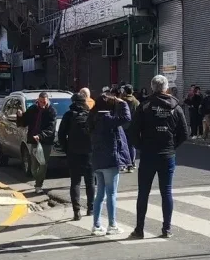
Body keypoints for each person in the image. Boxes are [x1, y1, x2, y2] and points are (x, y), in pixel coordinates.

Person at [130, 75, 188, 239]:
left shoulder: (145, 105)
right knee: (166, 192)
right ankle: (166, 229)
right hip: (167, 155)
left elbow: (133, 132)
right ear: (166, 88)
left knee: (143, 192)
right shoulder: (175, 106)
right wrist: (172, 146)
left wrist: (141, 146)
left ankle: (139, 229)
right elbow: (184, 133)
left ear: (152, 87)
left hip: (148, 154)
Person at [89, 94, 131, 235]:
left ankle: (96, 225)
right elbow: (126, 118)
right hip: (110, 160)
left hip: (97, 161)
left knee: (100, 194)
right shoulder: (107, 119)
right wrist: (123, 103)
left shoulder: (93, 118)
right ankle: (112, 225)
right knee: (111, 193)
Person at [58, 92, 94, 220]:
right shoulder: (90, 114)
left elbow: (61, 135)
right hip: (89, 153)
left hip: (73, 152)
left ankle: (76, 212)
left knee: (75, 182)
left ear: (73, 102)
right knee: (90, 182)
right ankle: (91, 208)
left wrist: (67, 149)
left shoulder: (68, 115)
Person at [17, 92, 57, 194]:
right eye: (40, 102)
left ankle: (38, 185)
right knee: (34, 166)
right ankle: (37, 178)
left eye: (44, 102)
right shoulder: (33, 109)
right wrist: (20, 115)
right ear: (38, 100)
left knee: (42, 164)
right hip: (34, 141)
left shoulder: (51, 111)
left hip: (46, 142)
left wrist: (41, 135)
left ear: (47, 100)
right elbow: (24, 122)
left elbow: (51, 128)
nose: (42, 104)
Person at [120, 84, 140, 172]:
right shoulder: (136, 102)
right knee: (131, 146)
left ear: (124, 91)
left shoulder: (121, 101)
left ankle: (124, 163)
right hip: (133, 126)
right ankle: (131, 164)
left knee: (123, 145)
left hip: (123, 125)